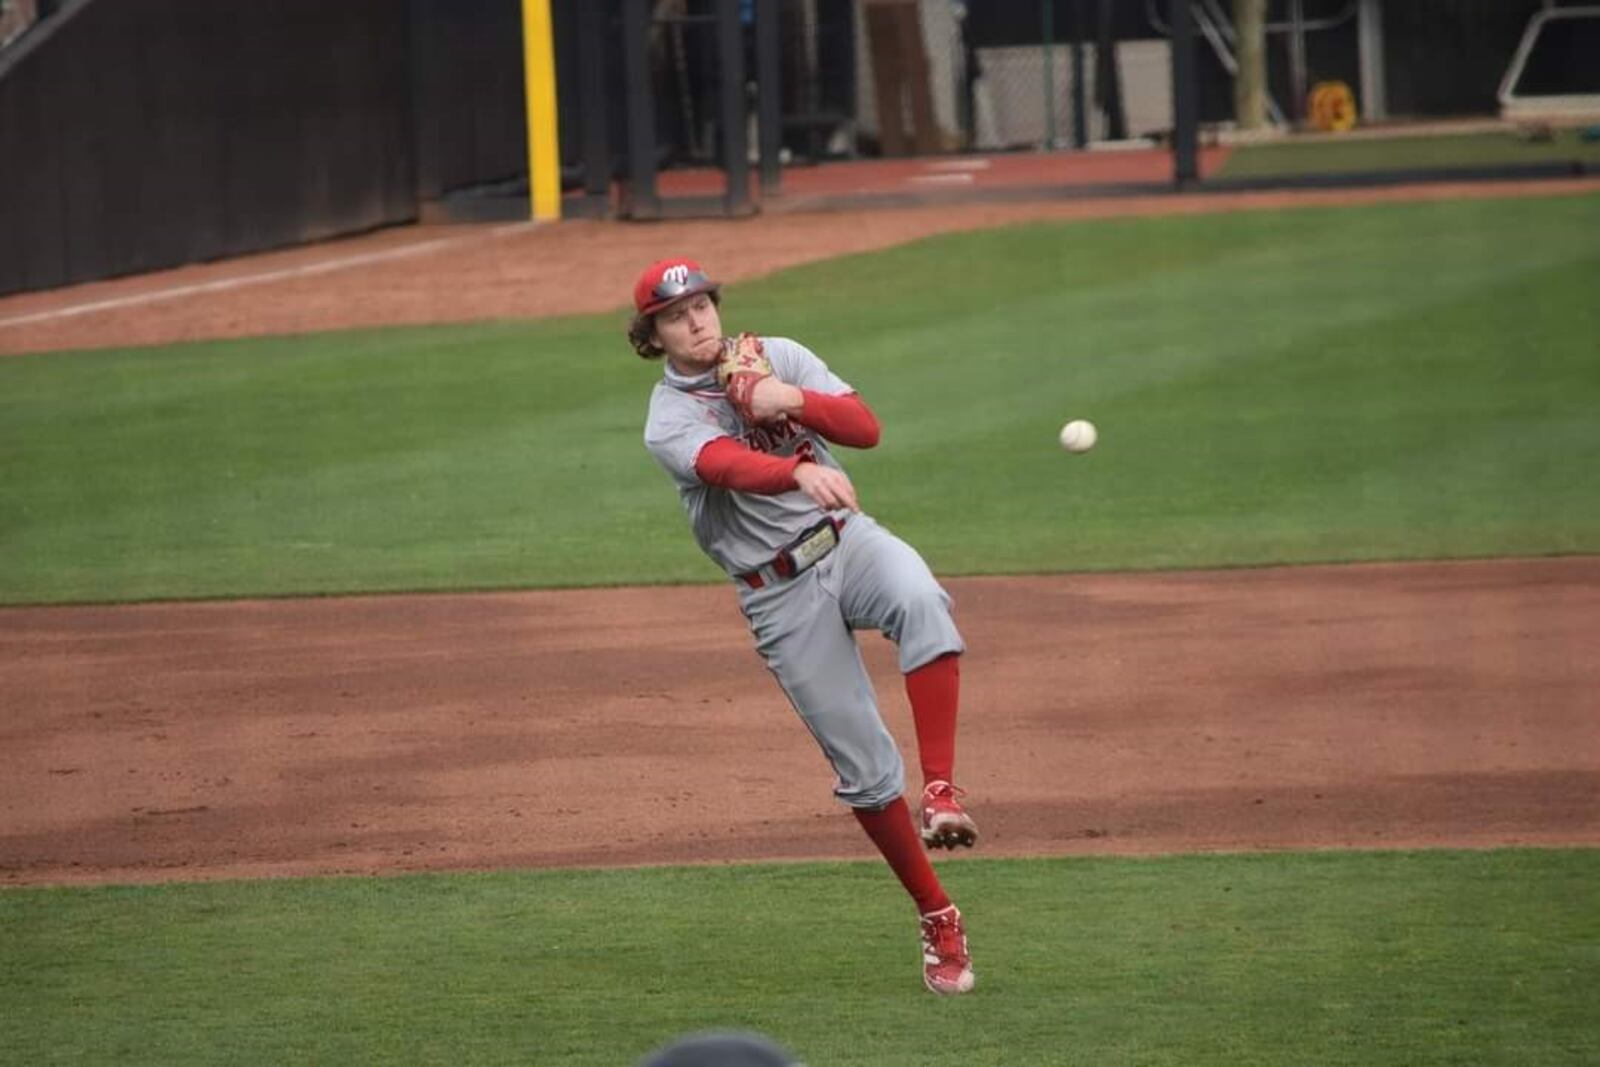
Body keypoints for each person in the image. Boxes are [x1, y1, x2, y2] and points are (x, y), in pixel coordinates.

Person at [629, 256, 977, 996]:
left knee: (921, 599)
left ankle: (943, 790)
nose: (696, 320)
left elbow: (866, 428)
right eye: (674, 315)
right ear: (653, 336)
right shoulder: (669, 419)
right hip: (778, 595)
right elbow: (727, 466)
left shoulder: (777, 354)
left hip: (847, 540)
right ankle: (937, 912)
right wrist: (794, 469)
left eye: (701, 304)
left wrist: (789, 396)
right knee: (865, 768)